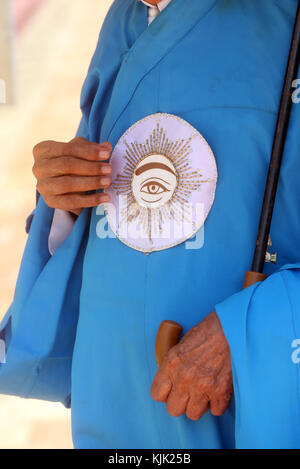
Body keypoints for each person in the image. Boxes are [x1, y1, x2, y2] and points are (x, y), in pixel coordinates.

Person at [0, 0, 300, 449]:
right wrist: (63, 195)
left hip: (229, 413)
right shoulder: (123, 19)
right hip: (111, 403)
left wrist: (250, 331)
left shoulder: (286, 20)